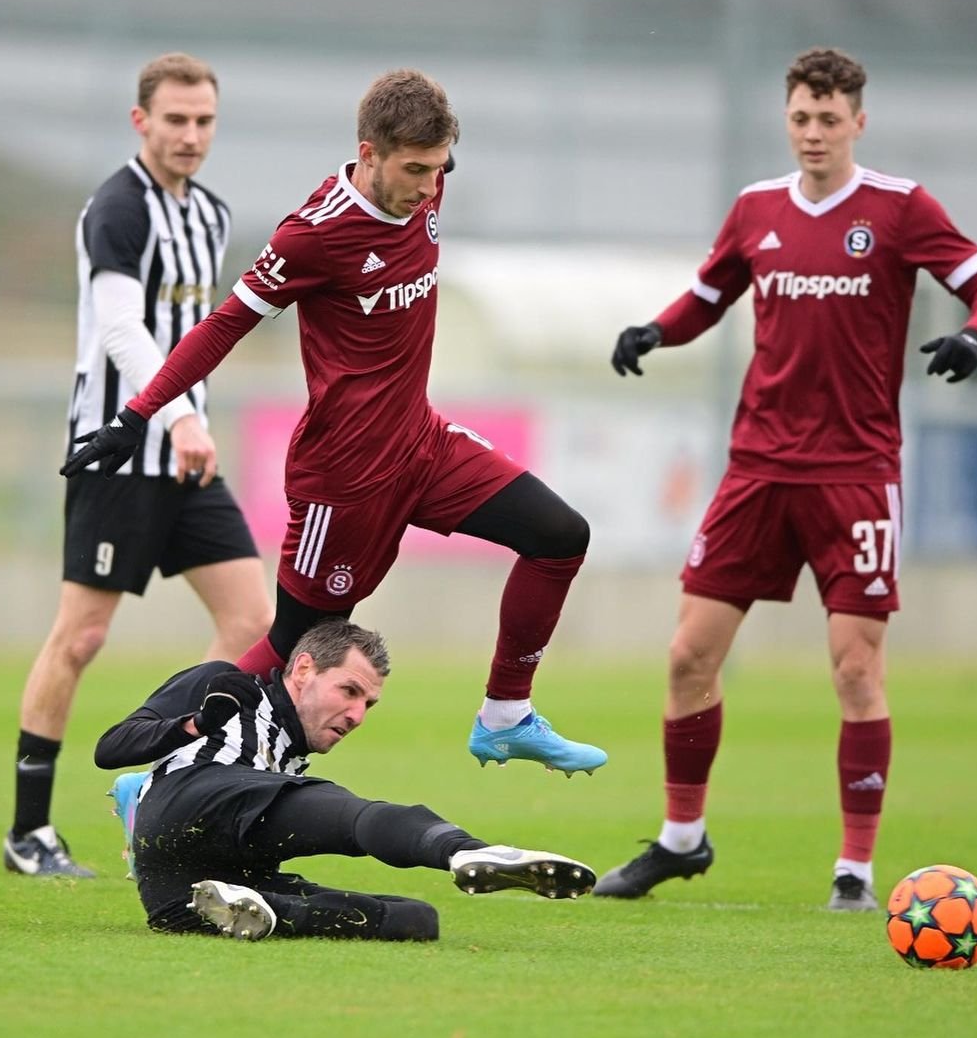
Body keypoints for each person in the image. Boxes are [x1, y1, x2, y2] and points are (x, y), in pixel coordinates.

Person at [62, 68, 606, 778]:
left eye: (437, 168)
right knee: (291, 644)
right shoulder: (312, 237)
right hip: (343, 478)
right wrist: (140, 414)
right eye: (413, 169)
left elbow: (424, 122)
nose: (426, 187)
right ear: (368, 152)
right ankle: (154, 768)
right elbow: (223, 327)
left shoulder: (428, 182)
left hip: (423, 445)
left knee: (560, 535)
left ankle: (505, 716)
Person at [596, 47, 977, 910]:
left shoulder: (901, 209)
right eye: (800, 119)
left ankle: (855, 871)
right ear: (786, 120)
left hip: (856, 472)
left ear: (860, 120)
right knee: (687, 656)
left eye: (829, 119)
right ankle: (680, 840)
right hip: (758, 467)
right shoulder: (755, 209)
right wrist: (655, 331)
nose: (814, 134)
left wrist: (976, 337)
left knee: (856, 671)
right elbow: (710, 296)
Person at [6, 53, 273, 878]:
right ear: (141, 121)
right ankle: (29, 835)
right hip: (117, 453)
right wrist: (186, 413)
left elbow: (200, 331)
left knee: (255, 625)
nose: (191, 135)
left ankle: (157, 772)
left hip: (184, 460)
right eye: (176, 120)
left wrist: (189, 421)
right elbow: (124, 329)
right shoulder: (118, 209)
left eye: (204, 121)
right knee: (80, 636)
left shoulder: (214, 214)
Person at [94, 620, 596, 940]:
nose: (357, 714)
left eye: (368, 704)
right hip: (194, 797)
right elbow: (110, 748)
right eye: (349, 691)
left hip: (179, 894)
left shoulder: (289, 750)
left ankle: (259, 911)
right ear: (304, 669)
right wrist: (197, 723)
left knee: (414, 920)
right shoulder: (227, 685)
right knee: (349, 815)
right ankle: (466, 851)